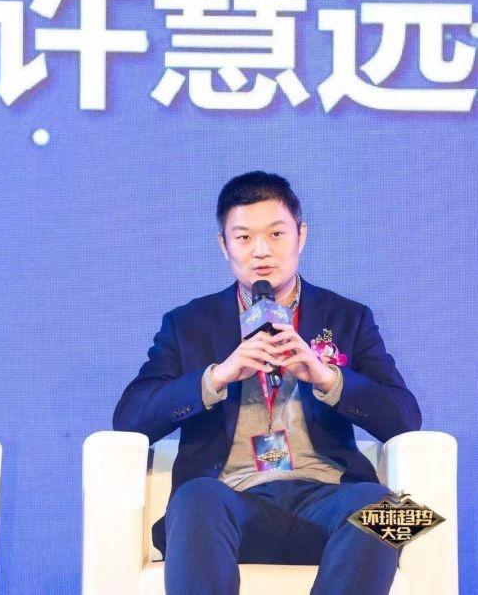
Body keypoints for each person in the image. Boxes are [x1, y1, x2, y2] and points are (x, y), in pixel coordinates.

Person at [113, 171, 422, 595]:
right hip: (230, 502)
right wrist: (217, 376)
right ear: (224, 246)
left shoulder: (348, 316)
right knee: (194, 497)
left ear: (301, 236)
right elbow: (130, 419)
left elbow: (405, 419)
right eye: (243, 238)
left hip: (328, 497)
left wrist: (327, 378)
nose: (261, 250)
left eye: (276, 234)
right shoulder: (188, 323)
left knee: (396, 511)